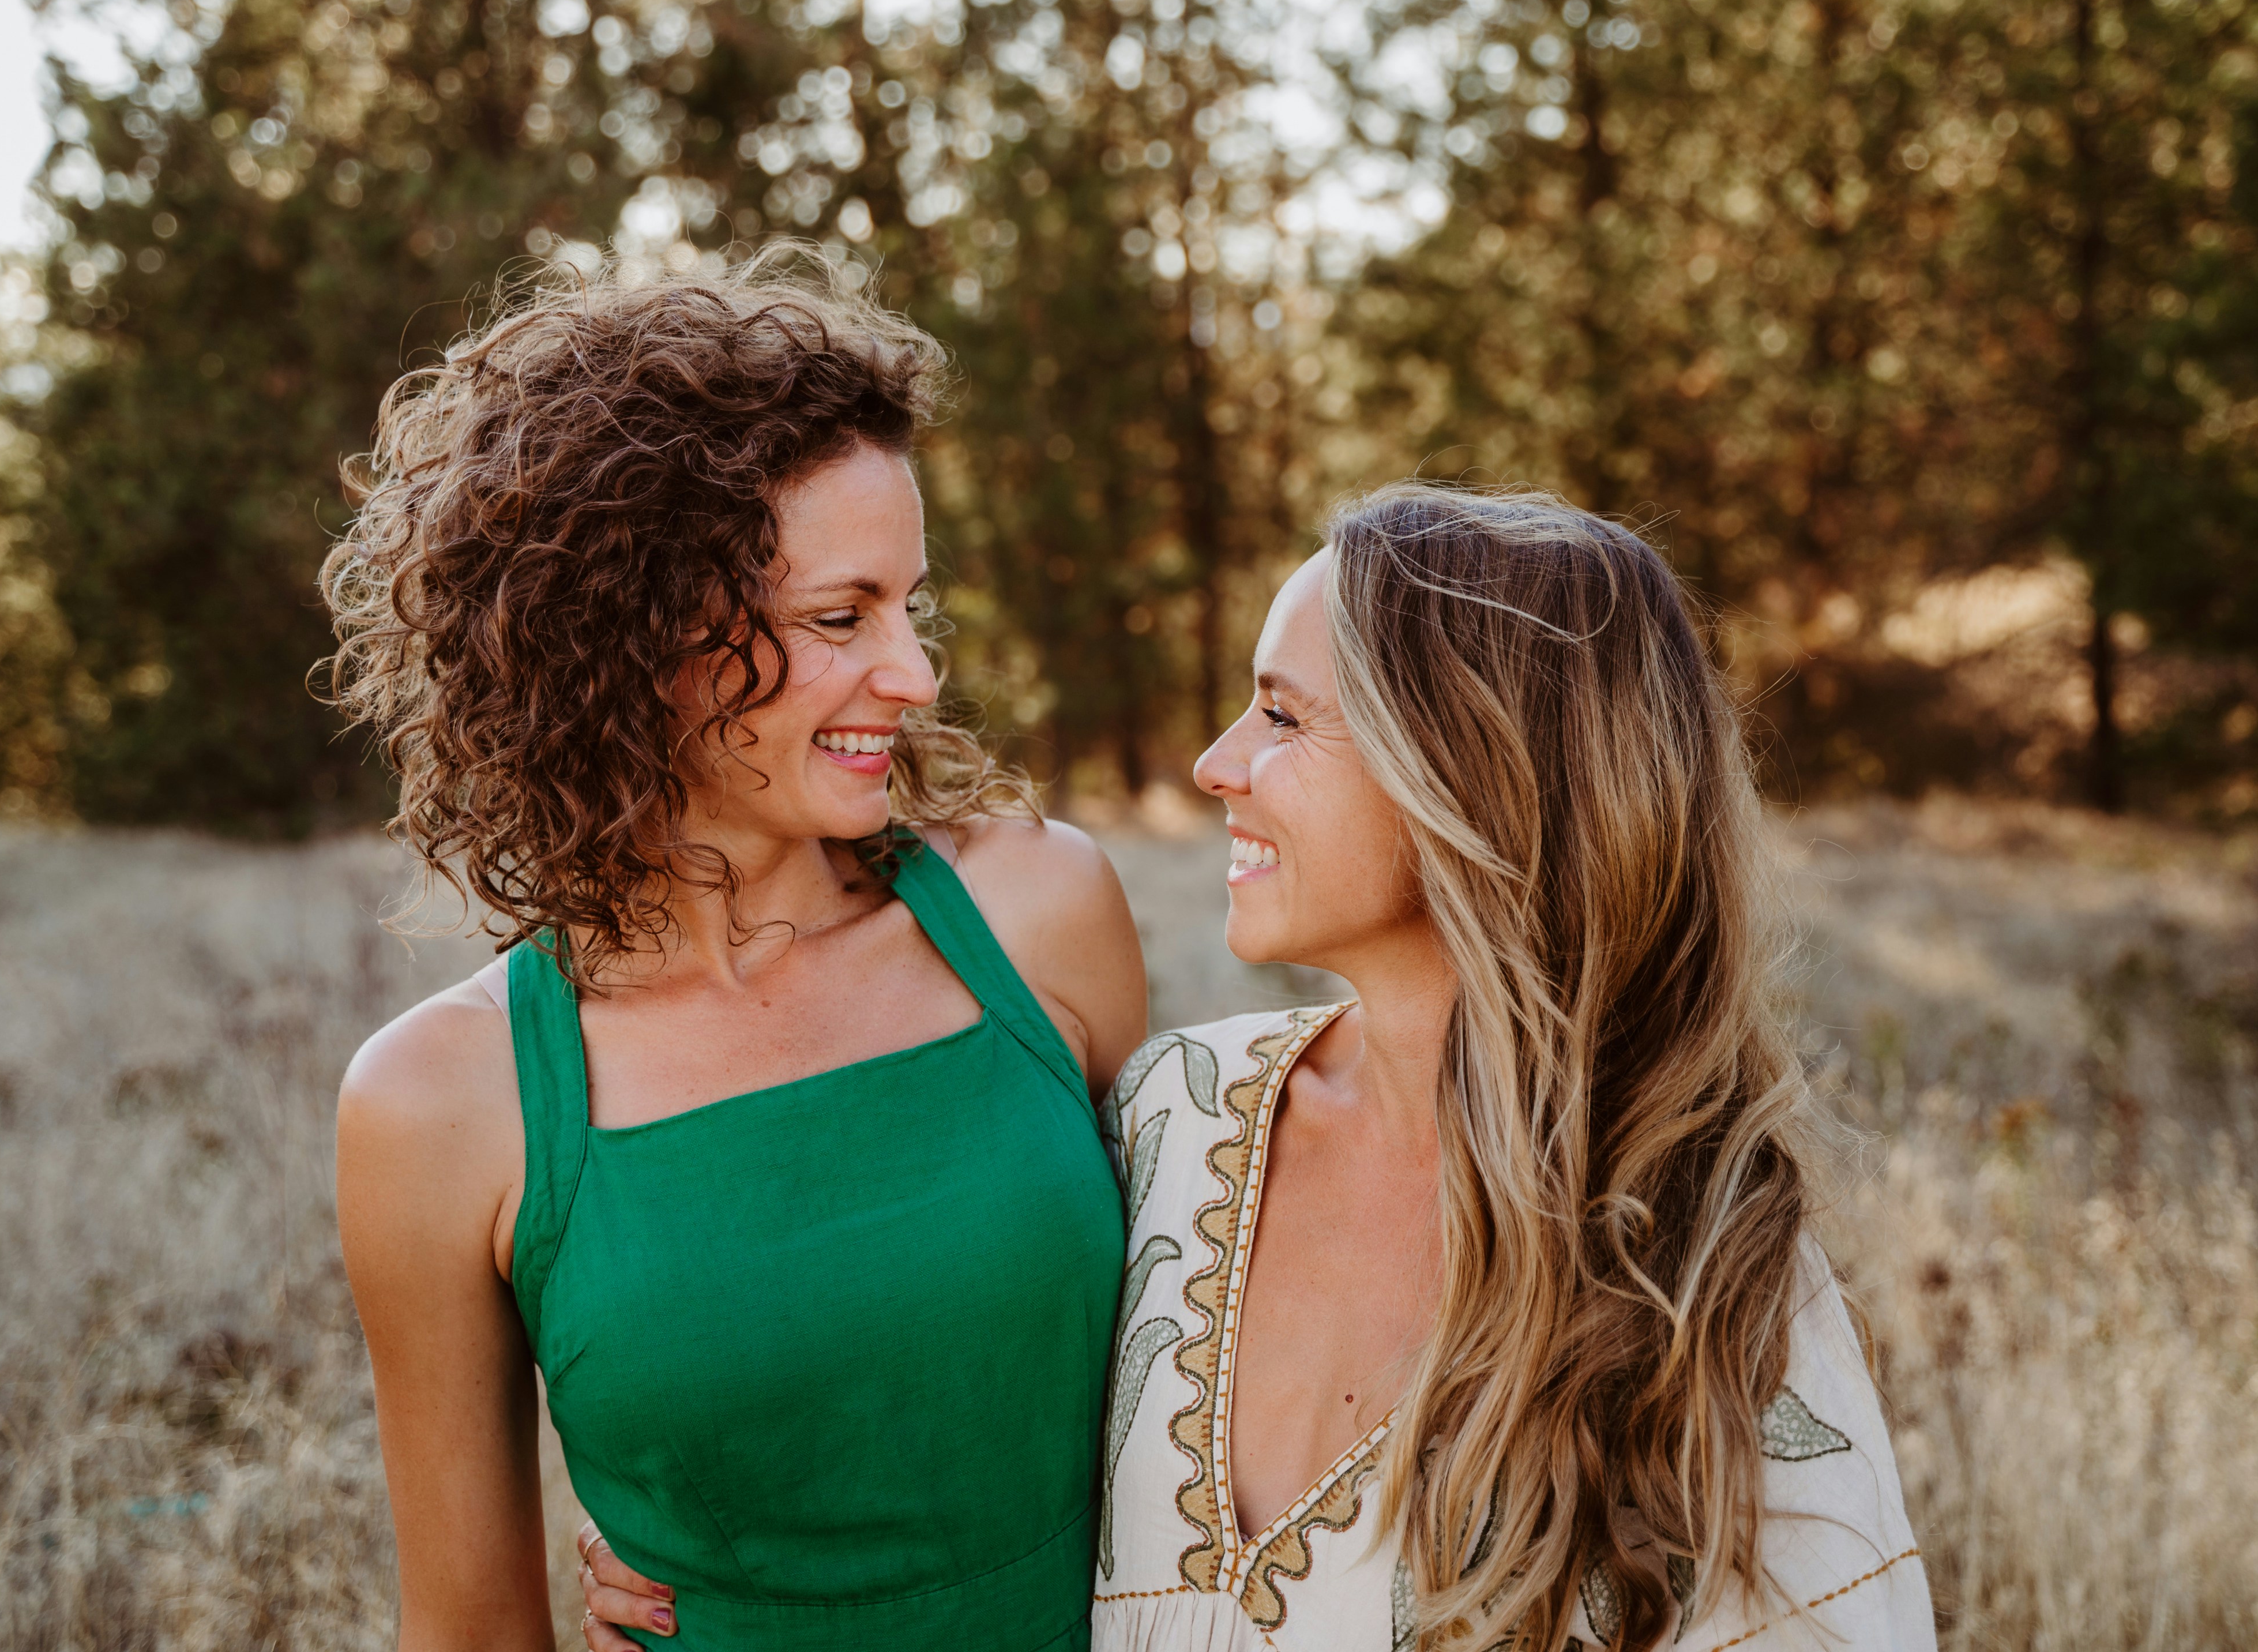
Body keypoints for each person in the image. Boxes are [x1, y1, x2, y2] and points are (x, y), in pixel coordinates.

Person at [587, 485, 1933, 1650]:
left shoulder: (1708, 1276)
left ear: (1471, 777)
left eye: (1283, 719)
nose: (1215, 764)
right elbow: (943, 1384)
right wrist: (719, 1536)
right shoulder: (1180, 1118)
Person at [324, 250, 1144, 1652]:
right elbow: (466, 1628)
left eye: (910, 604)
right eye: (842, 618)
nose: (917, 672)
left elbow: (1221, 1350)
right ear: (635, 635)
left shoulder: (1041, 914)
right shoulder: (440, 1106)